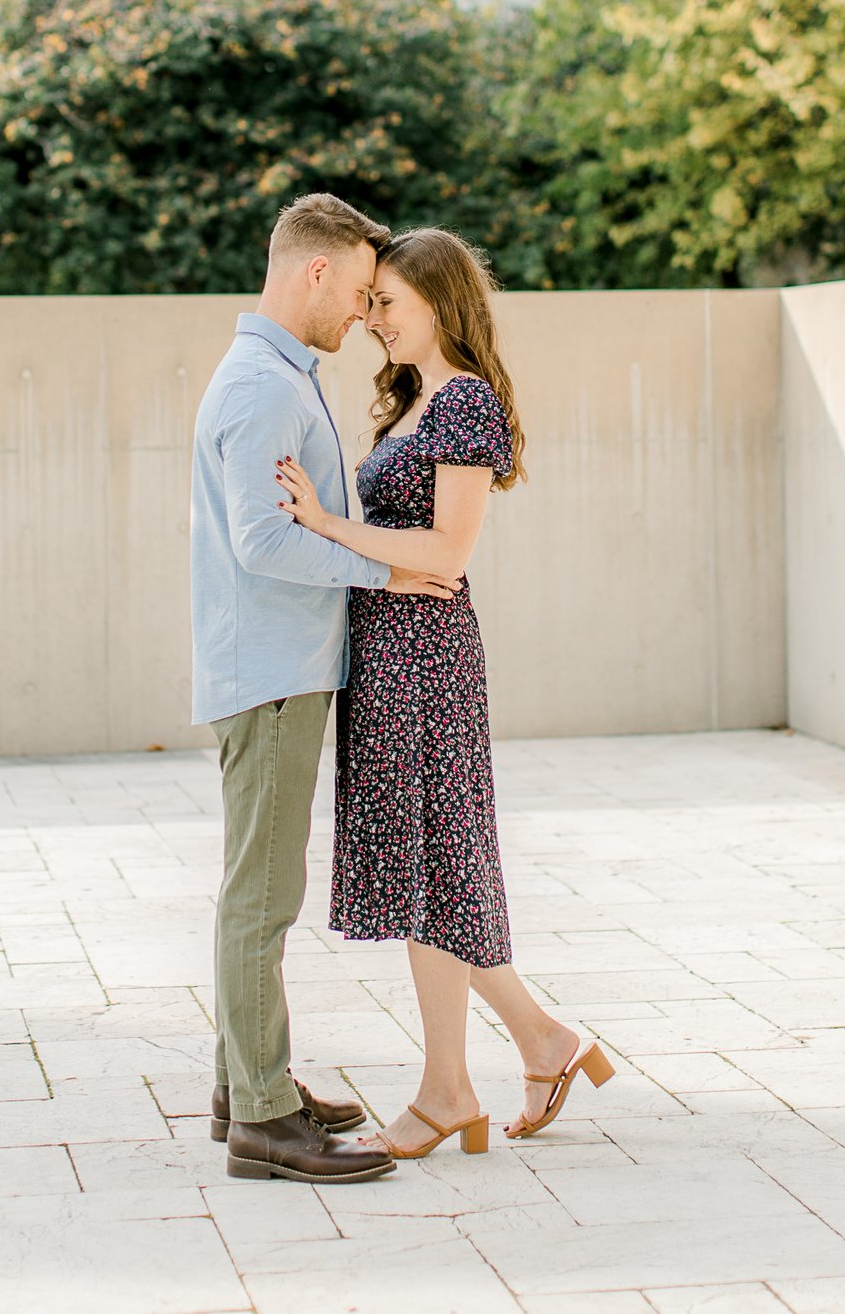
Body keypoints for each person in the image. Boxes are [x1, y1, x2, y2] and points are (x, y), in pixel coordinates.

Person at [276, 227, 614, 1159]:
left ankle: (447, 1088)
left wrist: (326, 522)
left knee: (432, 874)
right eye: (371, 299)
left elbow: (448, 553)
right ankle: (538, 1044)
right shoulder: (413, 401)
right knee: (435, 874)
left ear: (440, 300)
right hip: (390, 651)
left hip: (425, 656)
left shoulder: (462, 402)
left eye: (388, 300)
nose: (372, 316)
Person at [190, 192, 460, 1185]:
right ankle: (263, 1121)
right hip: (271, 675)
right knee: (261, 899)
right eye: (354, 292)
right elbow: (264, 542)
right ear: (314, 274)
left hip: (276, 669)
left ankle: (245, 1084)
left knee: (258, 890)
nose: (359, 316)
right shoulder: (262, 387)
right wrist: (389, 572)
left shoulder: (273, 377)